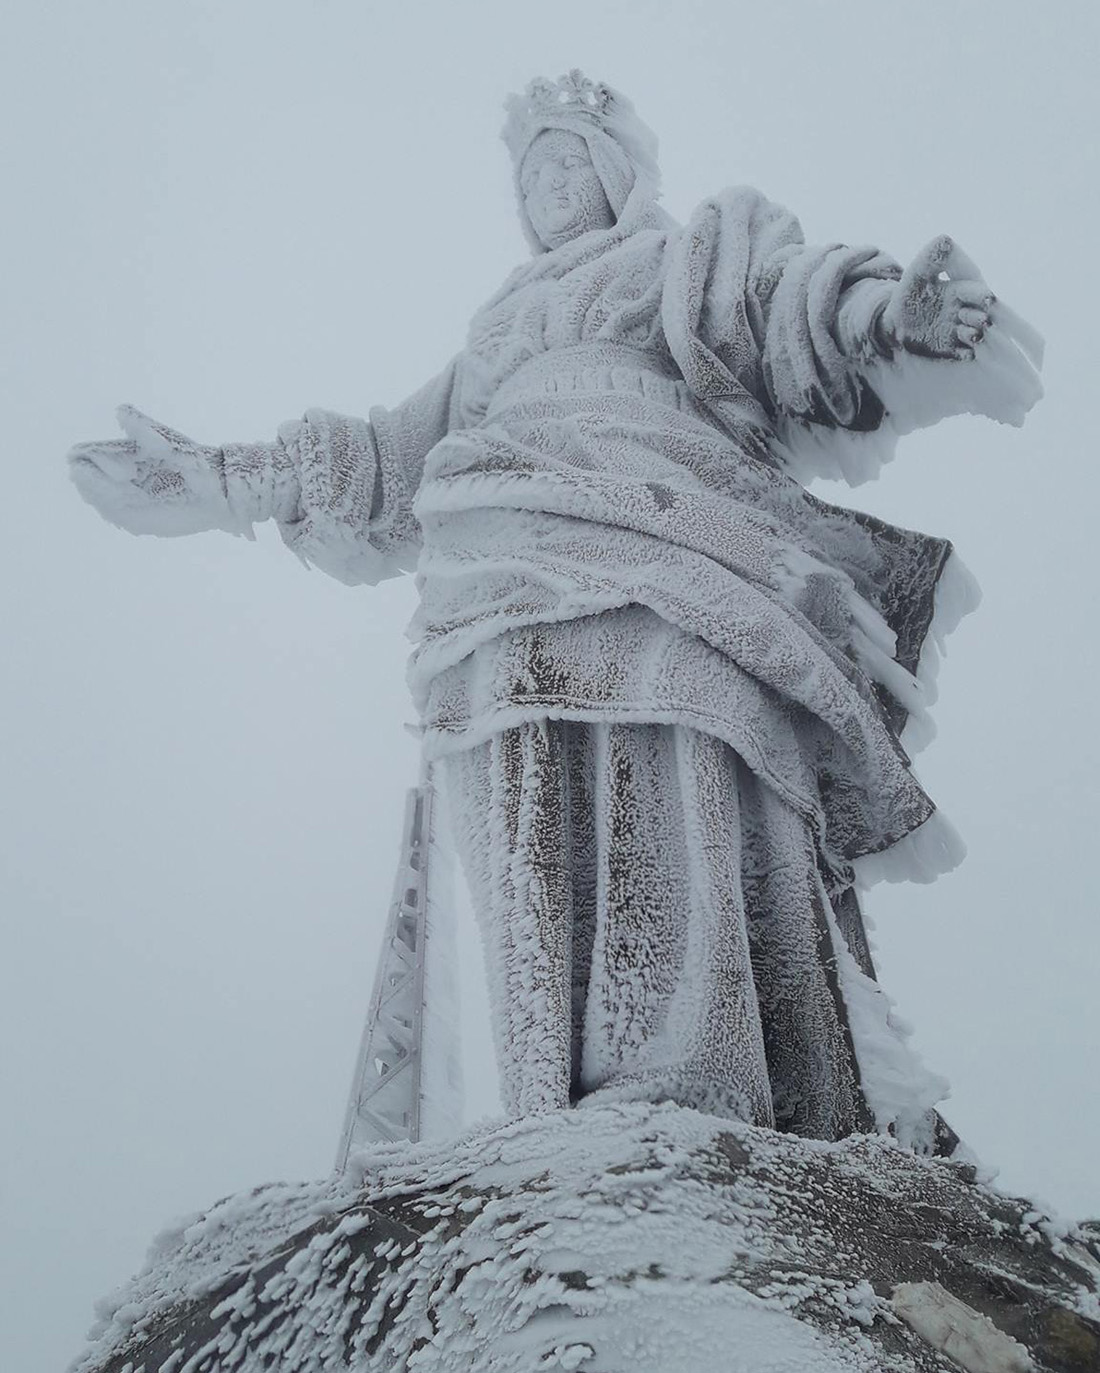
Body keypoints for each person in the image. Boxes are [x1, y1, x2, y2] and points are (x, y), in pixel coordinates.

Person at [69, 70, 1042, 1153]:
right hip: (496, 565)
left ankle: (690, 1065)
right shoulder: (495, 337)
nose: (548, 186)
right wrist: (221, 476)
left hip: (667, 529)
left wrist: (882, 315)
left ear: (619, 173)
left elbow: (787, 304)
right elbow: (389, 456)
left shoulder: (679, 260)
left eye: (569, 160)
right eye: (530, 174)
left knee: (679, 732)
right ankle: (564, 1095)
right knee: (531, 795)